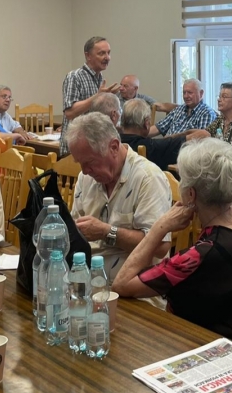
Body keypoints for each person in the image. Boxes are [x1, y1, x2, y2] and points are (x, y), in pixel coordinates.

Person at [113, 138, 232, 355]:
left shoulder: (203, 254)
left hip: (223, 353)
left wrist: (159, 228)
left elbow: (121, 285)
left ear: (191, 194)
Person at [67, 113, 171, 280]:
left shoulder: (148, 178)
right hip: (89, 279)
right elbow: (75, 230)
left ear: (114, 147)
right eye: (79, 163)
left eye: (89, 162)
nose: (84, 171)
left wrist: (106, 232)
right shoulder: (86, 178)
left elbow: (160, 246)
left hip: (133, 285)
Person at [61, 36, 120, 155]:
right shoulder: (74, 76)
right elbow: (70, 113)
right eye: (101, 53)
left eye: (108, 53)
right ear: (88, 56)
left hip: (93, 145)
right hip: (75, 149)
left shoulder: (100, 78)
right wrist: (97, 97)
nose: (107, 57)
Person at [120, 99, 206, 171]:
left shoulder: (116, 143)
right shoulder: (152, 148)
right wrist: (185, 133)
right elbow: (203, 134)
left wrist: (177, 135)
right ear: (146, 124)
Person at [149, 79, 216, 137]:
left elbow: (201, 140)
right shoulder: (178, 109)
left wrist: (171, 140)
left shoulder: (206, 113)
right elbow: (159, 127)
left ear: (201, 93)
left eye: (190, 93)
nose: (186, 96)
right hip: (166, 145)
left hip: (185, 147)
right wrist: (143, 134)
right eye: (184, 93)